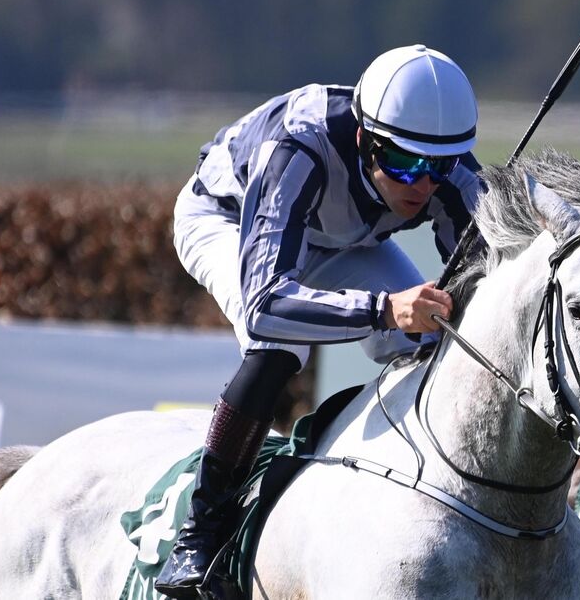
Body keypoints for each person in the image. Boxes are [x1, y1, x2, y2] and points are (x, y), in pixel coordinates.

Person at [154, 45, 482, 597]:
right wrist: (384, 310)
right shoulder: (299, 147)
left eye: (438, 168)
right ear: (366, 138)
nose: (422, 185)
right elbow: (268, 304)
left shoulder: (447, 169)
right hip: (228, 220)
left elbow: (482, 289)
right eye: (403, 163)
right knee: (281, 347)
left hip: (342, 239)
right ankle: (199, 536)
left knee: (432, 342)